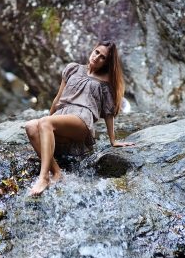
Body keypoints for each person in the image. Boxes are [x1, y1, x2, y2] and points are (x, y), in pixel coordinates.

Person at [25, 40, 135, 196]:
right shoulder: (73, 69)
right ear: (93, 49)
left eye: (102, 57)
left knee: (45, 123)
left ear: (106, 63)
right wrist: (45, 123)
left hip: (82, 119)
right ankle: (57, 172)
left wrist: (113, 140)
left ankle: (43, 177)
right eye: (97, 52)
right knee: (30, 125)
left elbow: (109, 112)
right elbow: (57, 98)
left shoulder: (106, 81)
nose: (97, 57)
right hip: (61, 116)